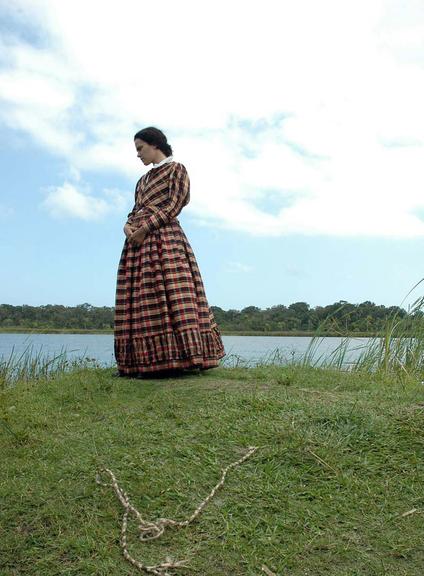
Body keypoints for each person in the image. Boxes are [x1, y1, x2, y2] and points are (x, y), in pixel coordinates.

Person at [114, 127, 225, 377]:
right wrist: (128, 226)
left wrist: (146, 228)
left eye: (140, 149)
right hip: (138, 243)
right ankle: (143, 363)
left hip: (165, 239)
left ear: (155, 145)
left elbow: (175, 205)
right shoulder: (142, 181)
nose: (138, 155)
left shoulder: (177, 169)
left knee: (176, 295)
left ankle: (186, 358)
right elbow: (135, 209)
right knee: (143, 298)